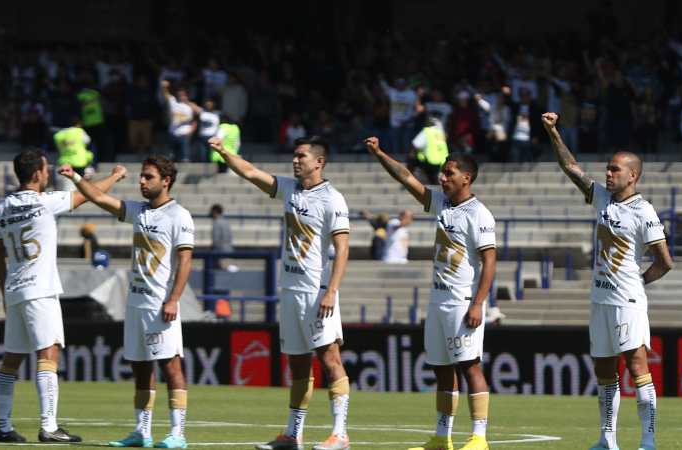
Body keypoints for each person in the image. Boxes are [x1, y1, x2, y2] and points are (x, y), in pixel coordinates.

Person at [211, 136, 353, 450]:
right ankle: (293, 435)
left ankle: (340, 434)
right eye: (294, 155)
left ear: (319, 162)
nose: (295, 160)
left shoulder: (332, 199)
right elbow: (249, 172)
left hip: (317, 292)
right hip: (289, 290)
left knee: (330, 359)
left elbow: (342, 249)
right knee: (299, 364)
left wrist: (332, 291)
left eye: (302, 156)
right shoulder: (289, 189)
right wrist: (224, 153)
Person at [542, 112, 673, 450]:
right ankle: (607, 439)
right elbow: (571, 168)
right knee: (604, 371)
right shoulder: (602, 197)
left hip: (626, 300)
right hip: (599, 299)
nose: (608, 173)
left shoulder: (644, 212)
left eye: (615, 169)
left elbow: (665, 261)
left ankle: (647, 440)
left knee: (636, 364)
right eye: (608, 168)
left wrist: (637, 284)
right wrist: (553, 132)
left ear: (633, 175)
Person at [366, 136, 497, 450]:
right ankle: (442, 437)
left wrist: (478, 304)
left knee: (470, 366)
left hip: (462, 301)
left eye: (449, 172)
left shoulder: (479, 214)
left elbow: (490, 261)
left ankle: (479, 437)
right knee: (441, 369)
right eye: (442, 171)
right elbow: (406, 177)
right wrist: (379, 153)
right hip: (437, 299)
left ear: (466, 177)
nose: (442, 177)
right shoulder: (441, 203)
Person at [0, 150, 125, 444]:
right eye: (46, 169)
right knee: (48, 354)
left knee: (11, 359)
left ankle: (3, 426)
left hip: (14, 289)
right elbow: (88, 195)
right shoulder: (45, 203)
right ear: (37, 174)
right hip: (41, 289)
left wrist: (4, 291)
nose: (48, 173)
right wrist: (114, 176)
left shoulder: (1, 208)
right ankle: (49, 426)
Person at [61, 156, 195, 449]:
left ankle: (178, 434)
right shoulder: (139, 211)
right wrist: (75, 178)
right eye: (141, 177)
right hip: (135, 303)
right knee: (140, 367)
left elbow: (186, 261)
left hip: (161, 305)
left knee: (171, 365)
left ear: (166, 180)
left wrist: (173, 299)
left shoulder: (179, 215)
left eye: (148, 177)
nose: (142, 181)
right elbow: (98, 197)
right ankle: (141, 431)